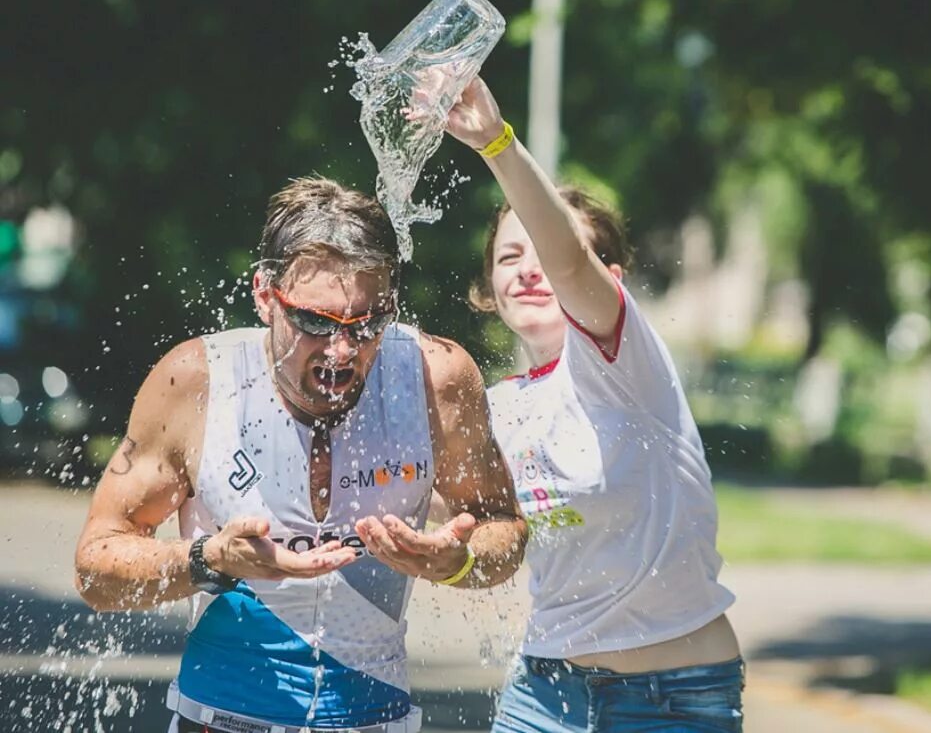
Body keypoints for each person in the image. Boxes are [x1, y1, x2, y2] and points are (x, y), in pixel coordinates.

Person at [73, 176, 527, 733]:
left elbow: (503, 527)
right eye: (315, 322)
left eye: (369, 324)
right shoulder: (196, 380)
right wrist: (208, 560)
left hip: (374, 719)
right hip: (219, 719)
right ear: (265, 295)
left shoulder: (437, 378)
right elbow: (96, 569)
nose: (342, 350)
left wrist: (457, 564)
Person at [443, 78, 744, 731]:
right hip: (545, 689)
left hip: (673, 697)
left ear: (613, 279)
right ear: (488, 288)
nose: (529, 269)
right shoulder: (491, 409)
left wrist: (497, 145)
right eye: (508, 255)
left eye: (545, 251)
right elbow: (456, 516)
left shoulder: (627, 361)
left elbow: (573, 266)